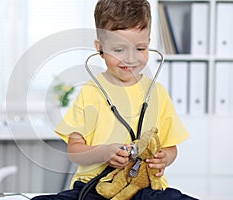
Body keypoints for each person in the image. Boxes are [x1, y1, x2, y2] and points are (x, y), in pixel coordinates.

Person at [32, 0, 196, 199]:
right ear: (100, 48)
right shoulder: (90, 92)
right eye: (119, 50)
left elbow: (171, 147)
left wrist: (164, 159)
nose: (130, 58)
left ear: (149, 44)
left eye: (140, 48)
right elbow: (74, 151)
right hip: (95, 187)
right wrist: (103, 153)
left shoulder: (157, 93)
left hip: (143, 189)